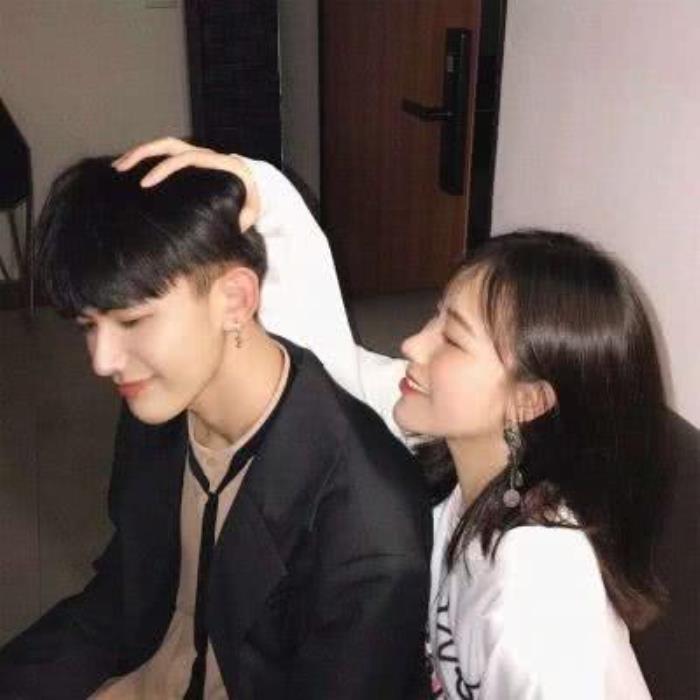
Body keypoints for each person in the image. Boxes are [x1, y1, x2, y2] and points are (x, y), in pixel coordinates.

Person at [114, 139, 669, 699]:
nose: (413, 344)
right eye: (436, 315)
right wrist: (257, 190)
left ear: (529, 401)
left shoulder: (541, 595)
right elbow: (332, 366)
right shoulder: (450, 454)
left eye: (453, 339)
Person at [0, 155, 431, 699]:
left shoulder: (369, 529)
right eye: (90, 324)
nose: (103, 360)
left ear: (235, 300)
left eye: (131, 320)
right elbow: (124, 592)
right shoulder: (162, 400)